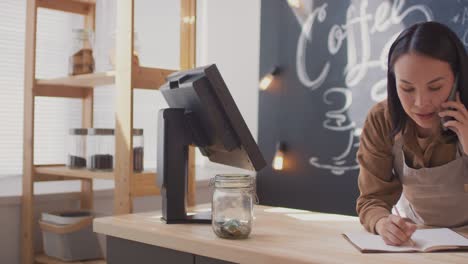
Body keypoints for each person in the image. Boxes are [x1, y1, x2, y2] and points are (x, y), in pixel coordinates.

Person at [356, 21, 468, 246]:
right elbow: (372, 199)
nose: (421, 103)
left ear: (457, 79)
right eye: (406, 88)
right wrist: (382, 223)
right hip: (419, 239)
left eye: (435, 87)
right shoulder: (382, 119)